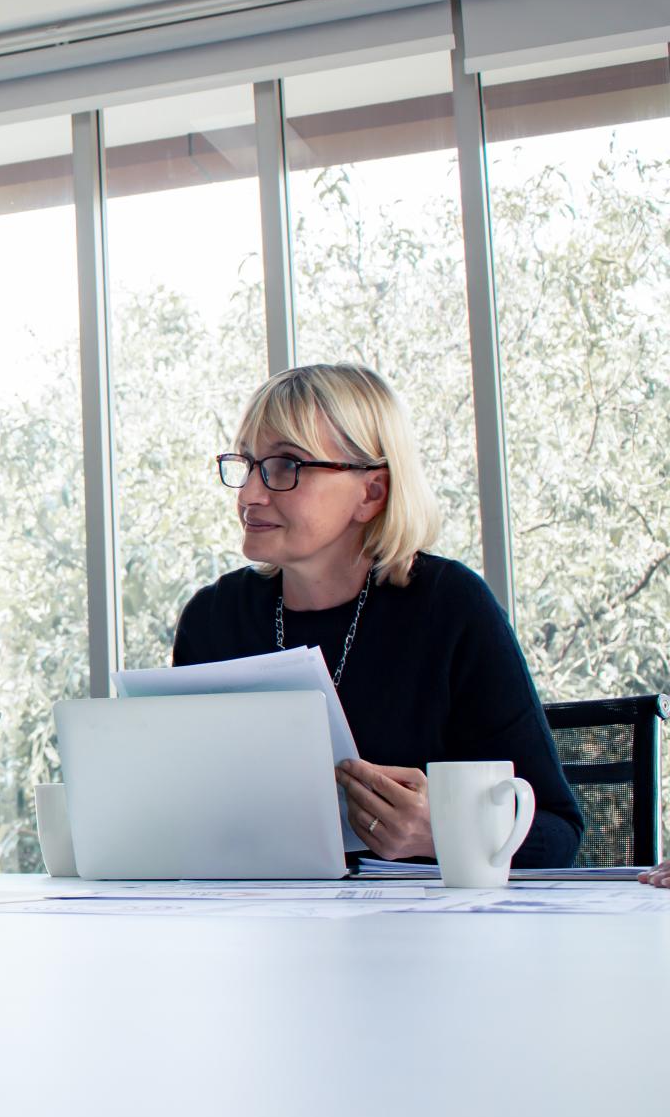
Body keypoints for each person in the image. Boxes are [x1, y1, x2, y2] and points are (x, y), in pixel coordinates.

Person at [171, 363, 583, 868]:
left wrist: (444, 833)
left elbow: (560, 832)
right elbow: (186, 816)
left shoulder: (450, 607)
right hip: (256, 929)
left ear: (371, 493)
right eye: (249, 465)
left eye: (285, 467)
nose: (249, 494)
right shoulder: (212, 619)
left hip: (422, 938)